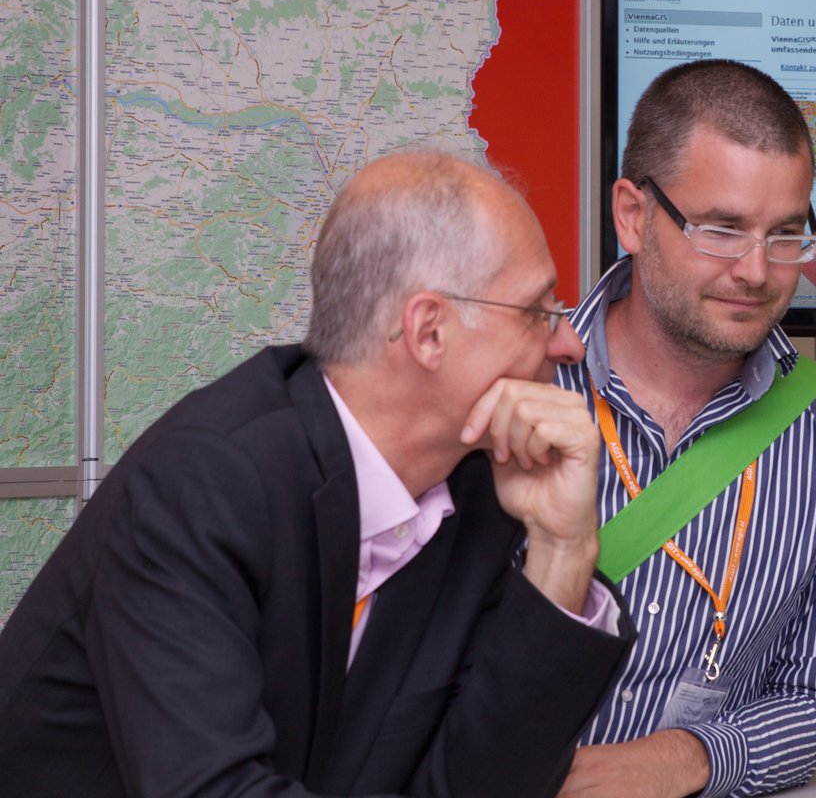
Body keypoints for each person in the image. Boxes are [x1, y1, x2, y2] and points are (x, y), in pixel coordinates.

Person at [0, 151, 634, 797]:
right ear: (430, 331)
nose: (569, 344)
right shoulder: (207, 480)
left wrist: (563, 549)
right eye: (537, 310)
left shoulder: (479, 489)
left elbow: (482, 782)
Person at [556, 60, 816, 798]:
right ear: (632, 214)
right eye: (722, 229)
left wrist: (684, 760)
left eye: (786, 235)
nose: (756, 271)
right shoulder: (511, 386)